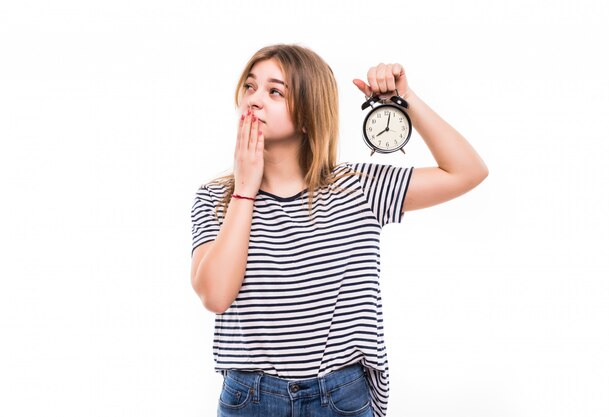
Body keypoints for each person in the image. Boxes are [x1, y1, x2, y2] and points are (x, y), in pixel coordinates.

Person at [190, 44, 488, 417]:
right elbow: (215, 296)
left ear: (308, 114)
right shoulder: (217, 198)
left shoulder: (358, 187)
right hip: (250, 397)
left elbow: (467, 171)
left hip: (339, 396)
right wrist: (245, 191)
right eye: (249, 87)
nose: (254, 100)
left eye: (275, 91)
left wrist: (405, 100)